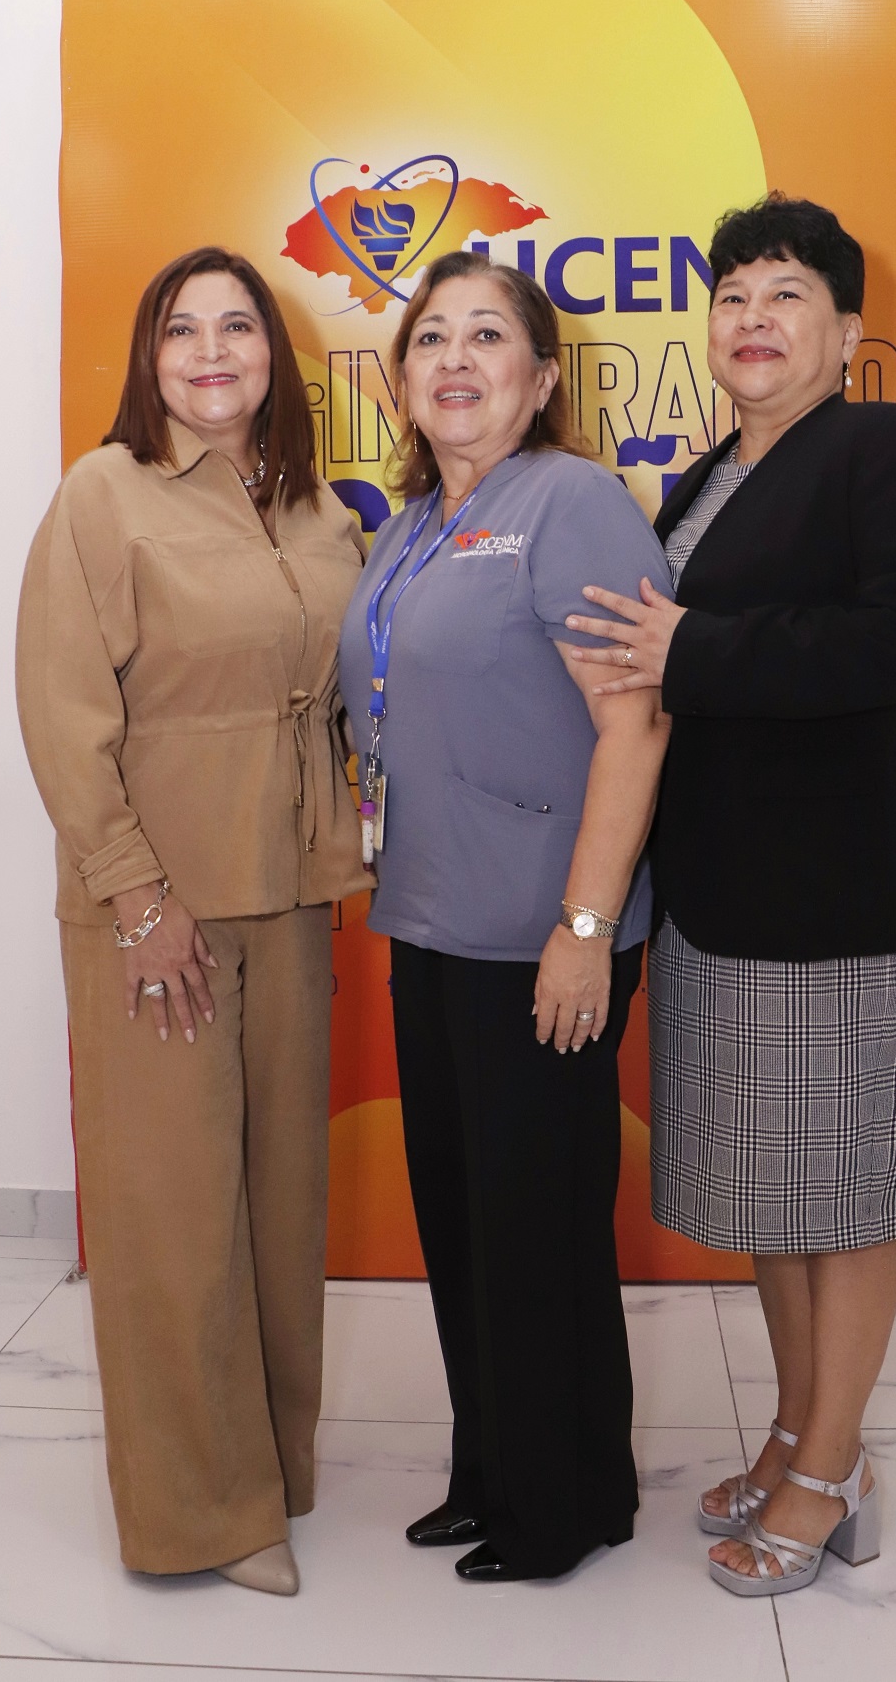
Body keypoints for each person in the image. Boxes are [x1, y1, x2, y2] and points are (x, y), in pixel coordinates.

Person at [564, 194, 896, 1596]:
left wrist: (694, 650)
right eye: (733, 294)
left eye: (786, 293)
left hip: (840, 899)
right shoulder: (699, 480)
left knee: (846, 1199)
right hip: (721, 900)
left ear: (848, 332)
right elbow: (665, 665)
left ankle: (828, 1471)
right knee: (778, 1197)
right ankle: (802, 1432)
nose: (753, 317)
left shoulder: (888, 448)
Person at [16, 246, 372, 1593]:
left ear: (275, 354)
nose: (212, 352)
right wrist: (136, 898)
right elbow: (64, 717)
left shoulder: (316, 510)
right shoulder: (102, 496)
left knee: (278, 1203)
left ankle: (269, 1467)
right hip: (156, 907)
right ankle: (198, 1516)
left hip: (289, 896)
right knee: (171, 1216)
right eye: (182, 330)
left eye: (238, 326)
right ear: (148, 357)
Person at [338, 251, 671, 1582]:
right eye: (432, 339)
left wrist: (584, 929)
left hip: (541, 934)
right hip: (430, 922)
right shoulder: (410, 525)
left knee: (538, 1226)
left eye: (488, 337)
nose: (457, 360)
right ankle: (493, 1471)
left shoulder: (570, 502)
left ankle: (563, 1502)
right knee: (466, 1218)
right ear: (402, 381)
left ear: (539, 381)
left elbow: (635, 725)